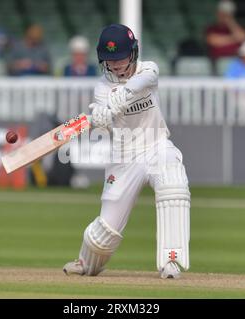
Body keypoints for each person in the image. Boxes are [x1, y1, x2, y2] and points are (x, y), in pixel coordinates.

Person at [63, 24, 191, 279]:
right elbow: (103, 116)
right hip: (124, 155)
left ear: (133, 53)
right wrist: (101, 116)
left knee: (173, 184)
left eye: (121, 57)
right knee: (105, 232)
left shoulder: (148, 69)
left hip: (156, 146)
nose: (117, 65)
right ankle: (86, 263)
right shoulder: (101, 88)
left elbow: (145, 80)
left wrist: (124, 94)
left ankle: (171, 261)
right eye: (110, 60)